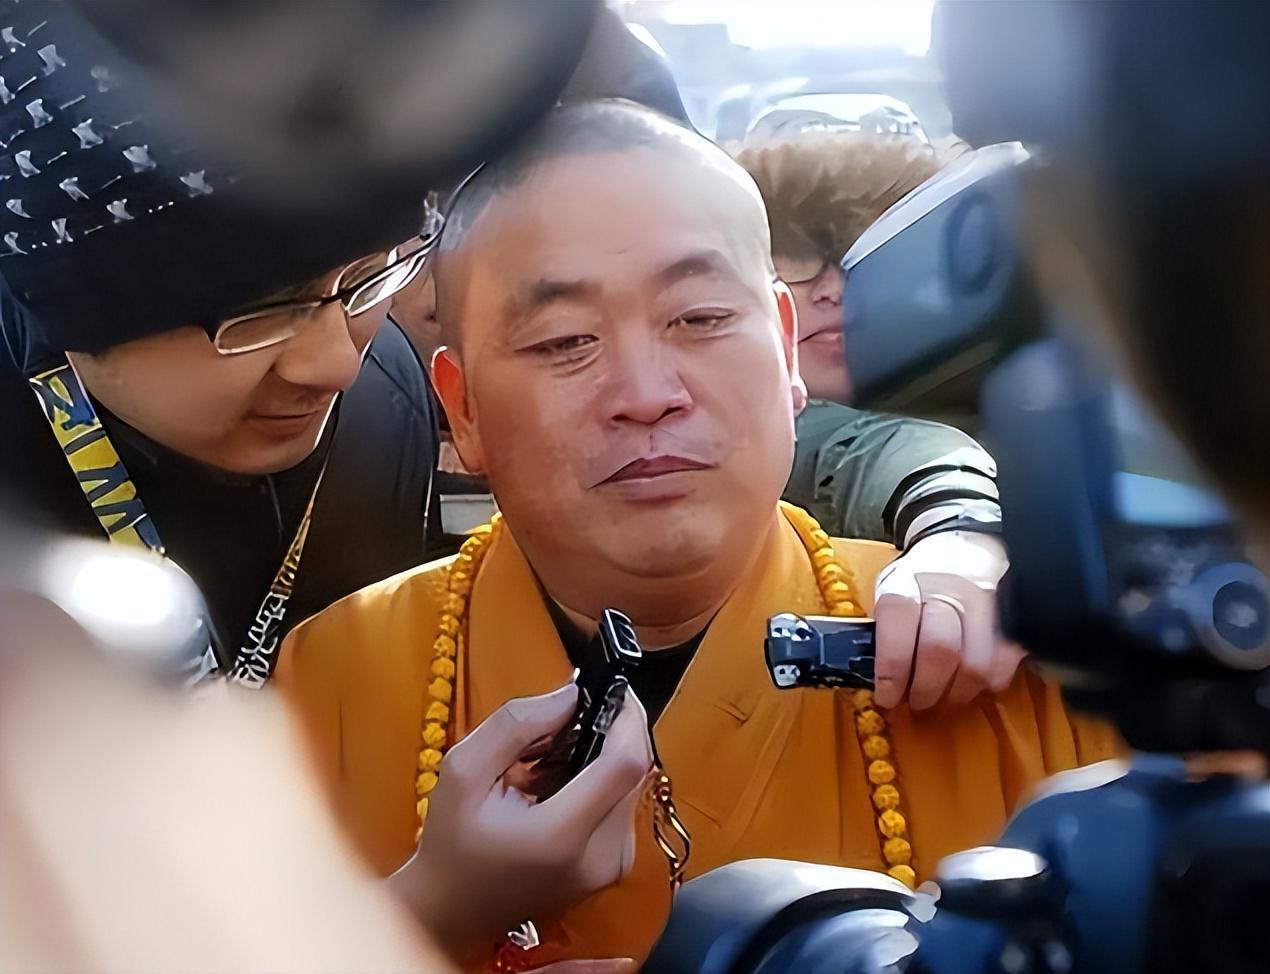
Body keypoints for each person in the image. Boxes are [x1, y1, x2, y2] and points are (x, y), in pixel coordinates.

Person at [276, 100, 1118, 966]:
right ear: (462, 410)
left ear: (785, 351)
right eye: (565, 341)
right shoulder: (332, 681)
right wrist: (434, 919)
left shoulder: (999, 656)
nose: (646, 394)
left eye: (702, 318)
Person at [734, 129, 1003, 545]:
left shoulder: (1011, 399)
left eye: (861, 263)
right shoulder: (725, 433)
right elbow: (861, 450)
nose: (834, 290)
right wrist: (954, 518)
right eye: (798, 262)